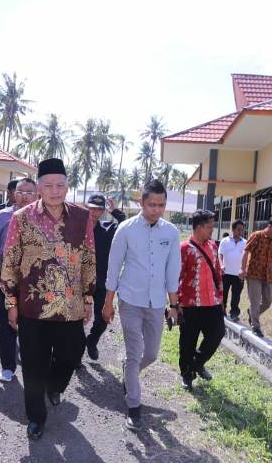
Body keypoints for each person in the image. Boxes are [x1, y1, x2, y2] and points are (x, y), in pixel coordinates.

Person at [1, 158, 95, 440]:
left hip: (70, 306)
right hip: (33, 307)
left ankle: (55, 385)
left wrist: (89, 297)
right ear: (39, 187)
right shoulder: (22, 218)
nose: (55, 191)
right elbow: (11, 261)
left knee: (72, 353)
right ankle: (35, 417)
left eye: (61, 185)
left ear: (68, 187)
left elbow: (89, 258)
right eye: (49, 185)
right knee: (32, 364)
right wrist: (10, 303)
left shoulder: (82, 216)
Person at [103, 180, 180, 430]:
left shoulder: (171, 232)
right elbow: (113, 267)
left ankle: (129, 370)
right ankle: (134, 406)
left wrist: (174, 305)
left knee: (151, 354)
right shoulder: (126, 229)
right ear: (141, 203)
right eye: (151, 204)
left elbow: (172, 270)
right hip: (130, 300)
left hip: (157, 303)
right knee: (135, 352)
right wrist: (108, 302)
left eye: (161, 205)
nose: (156, 209)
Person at [0, 178, 37, 382]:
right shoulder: (1, 216)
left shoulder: (44, 218)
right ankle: (8, 366)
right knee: (7, 322)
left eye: (29, 192)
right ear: (13, 194)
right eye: (20, 191)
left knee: (33, 324)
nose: (24, 195)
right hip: (6, 278)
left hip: (35, 281)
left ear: (37, 195)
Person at [177, 209, 225, 392]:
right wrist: (175, 304)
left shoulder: (213, 246)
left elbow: (218, 273)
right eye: (209, 227)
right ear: (198, 227)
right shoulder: (184, 248)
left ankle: (198, 363)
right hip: (190, 305)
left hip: (212, 303)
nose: (212, 230)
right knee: (187, 341)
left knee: (217, 334)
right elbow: (176, 276)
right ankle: (187, 374)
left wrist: (221, 298)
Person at [85, 193, 126, 361]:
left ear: (103, 211)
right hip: (81, 283)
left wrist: (115, 212)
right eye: (92, 209)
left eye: (99, 209)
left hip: (102, 282)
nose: (94, 213)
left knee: (103, 318)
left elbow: (125, 226)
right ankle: (76, 353)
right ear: (86, 208)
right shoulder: (77, 228)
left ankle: (92, 340)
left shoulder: (108, 229)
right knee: (76, 321)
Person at [240, 216, 272, 338]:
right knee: (255, 302)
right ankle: (255, 326)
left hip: (267, 276)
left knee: (268, 300)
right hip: (253, 274)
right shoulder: (257, 236)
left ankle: (252, 313)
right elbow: (246, 252)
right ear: (269, 226)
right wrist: (242, 269)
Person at [218, 220, 247, 322]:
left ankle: (234, 313)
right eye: (238, 229)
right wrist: (221, 265)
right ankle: (222, 311)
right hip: (225, 273)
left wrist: (244, 270)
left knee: (236, 295)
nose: (240, 232)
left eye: (242, 230)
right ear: (233, 229)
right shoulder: (225, 241)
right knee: (223, 293)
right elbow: (220, 254)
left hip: (238, 274)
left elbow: (247, 257)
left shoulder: (245, 243)